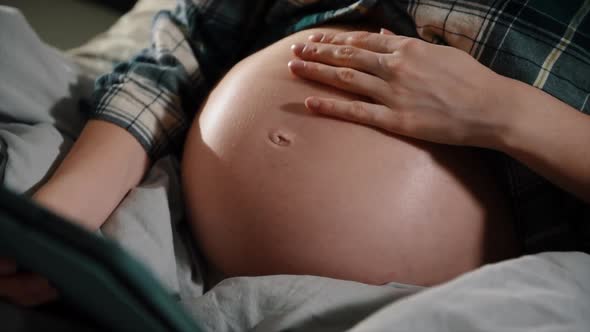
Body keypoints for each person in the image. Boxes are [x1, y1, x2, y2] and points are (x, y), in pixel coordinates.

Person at [1, 0, 589, 308]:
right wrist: (66, 215)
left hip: (437, 300)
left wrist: (505, 113)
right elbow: (181, 49)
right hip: (161, 198)